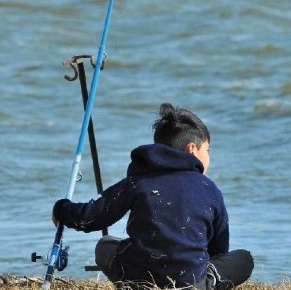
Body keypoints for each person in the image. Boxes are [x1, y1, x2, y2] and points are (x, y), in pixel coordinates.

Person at [53, 103, 254, 289]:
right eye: (207, 150)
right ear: (192, 150)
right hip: (190, 283)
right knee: (244, 259)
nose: (208, 158)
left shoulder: (138, 180)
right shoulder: (209, 188)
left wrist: (61, 209)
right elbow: (219, 248)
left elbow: (90, 217)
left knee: (104, 246)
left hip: (138, 277)